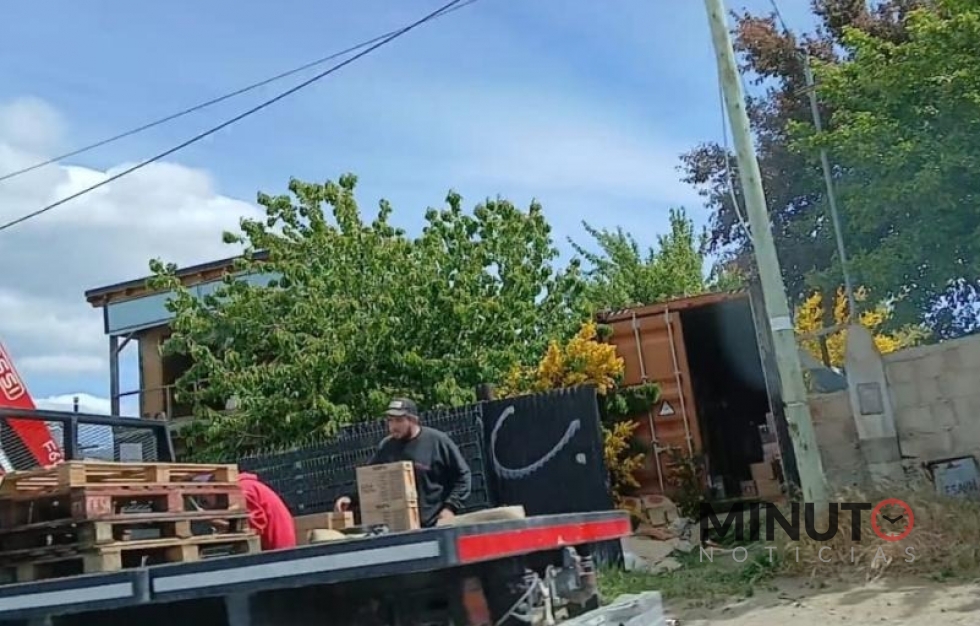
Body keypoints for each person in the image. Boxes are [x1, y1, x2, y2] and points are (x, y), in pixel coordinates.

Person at [334, 397, 472, 528]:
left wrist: (449, 508)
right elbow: (370, 479)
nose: (393, 426)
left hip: (434, 525)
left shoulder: (437, 442)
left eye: (399, 420)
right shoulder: (387, 447)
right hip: (400, 528)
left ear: (413, 420)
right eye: (390, 420)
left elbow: (463, 477)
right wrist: (350, 498)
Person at [193, 471, 297, 551]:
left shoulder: (242, 490)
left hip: (278, 549)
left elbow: (254, 528)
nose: (203, 503)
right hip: (275, 549)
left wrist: (216, 522)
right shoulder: (241, 489)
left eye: (203, 500)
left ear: (212, 487)